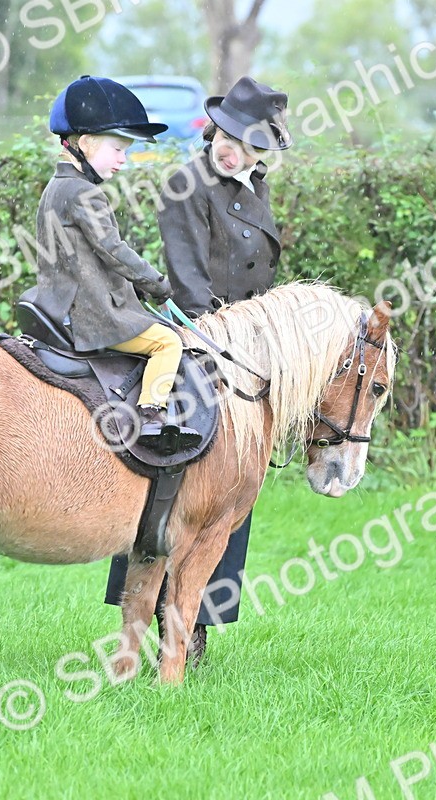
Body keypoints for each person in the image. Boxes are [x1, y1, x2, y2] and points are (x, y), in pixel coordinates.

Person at [104, 76, 294, 665]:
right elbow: (187, 278)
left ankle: (200, 618)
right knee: (173, 467)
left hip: (246, 348)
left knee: (237, 485)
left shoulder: (253, 186)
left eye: (250, 143)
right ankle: (153, 608)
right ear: (215, 126)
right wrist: (221, 341)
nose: (235, 149)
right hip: (195, 335)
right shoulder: (186, 182)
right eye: (231, 136)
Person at [26, 75, 199, 451]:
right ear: (85, 144)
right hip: (92, 312)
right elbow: (113, 249)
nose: (124, 159)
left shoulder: (57, 187)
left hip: (62, 301)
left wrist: (134, 284)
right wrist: (158, 285)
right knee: (168, 342)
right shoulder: (85, 192)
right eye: (117, 148)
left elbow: (87, 254)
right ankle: (151, 418)